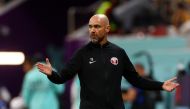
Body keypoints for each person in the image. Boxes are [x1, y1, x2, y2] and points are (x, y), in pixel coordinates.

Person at [36, 14, 179, 109]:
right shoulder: (82, 53)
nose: (92, 30)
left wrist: (161, 85)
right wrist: (51, 74)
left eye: (97, 27)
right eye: (90, 27)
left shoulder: (118, 52)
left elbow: (136, 80)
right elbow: (62, 78)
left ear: (107, 29)